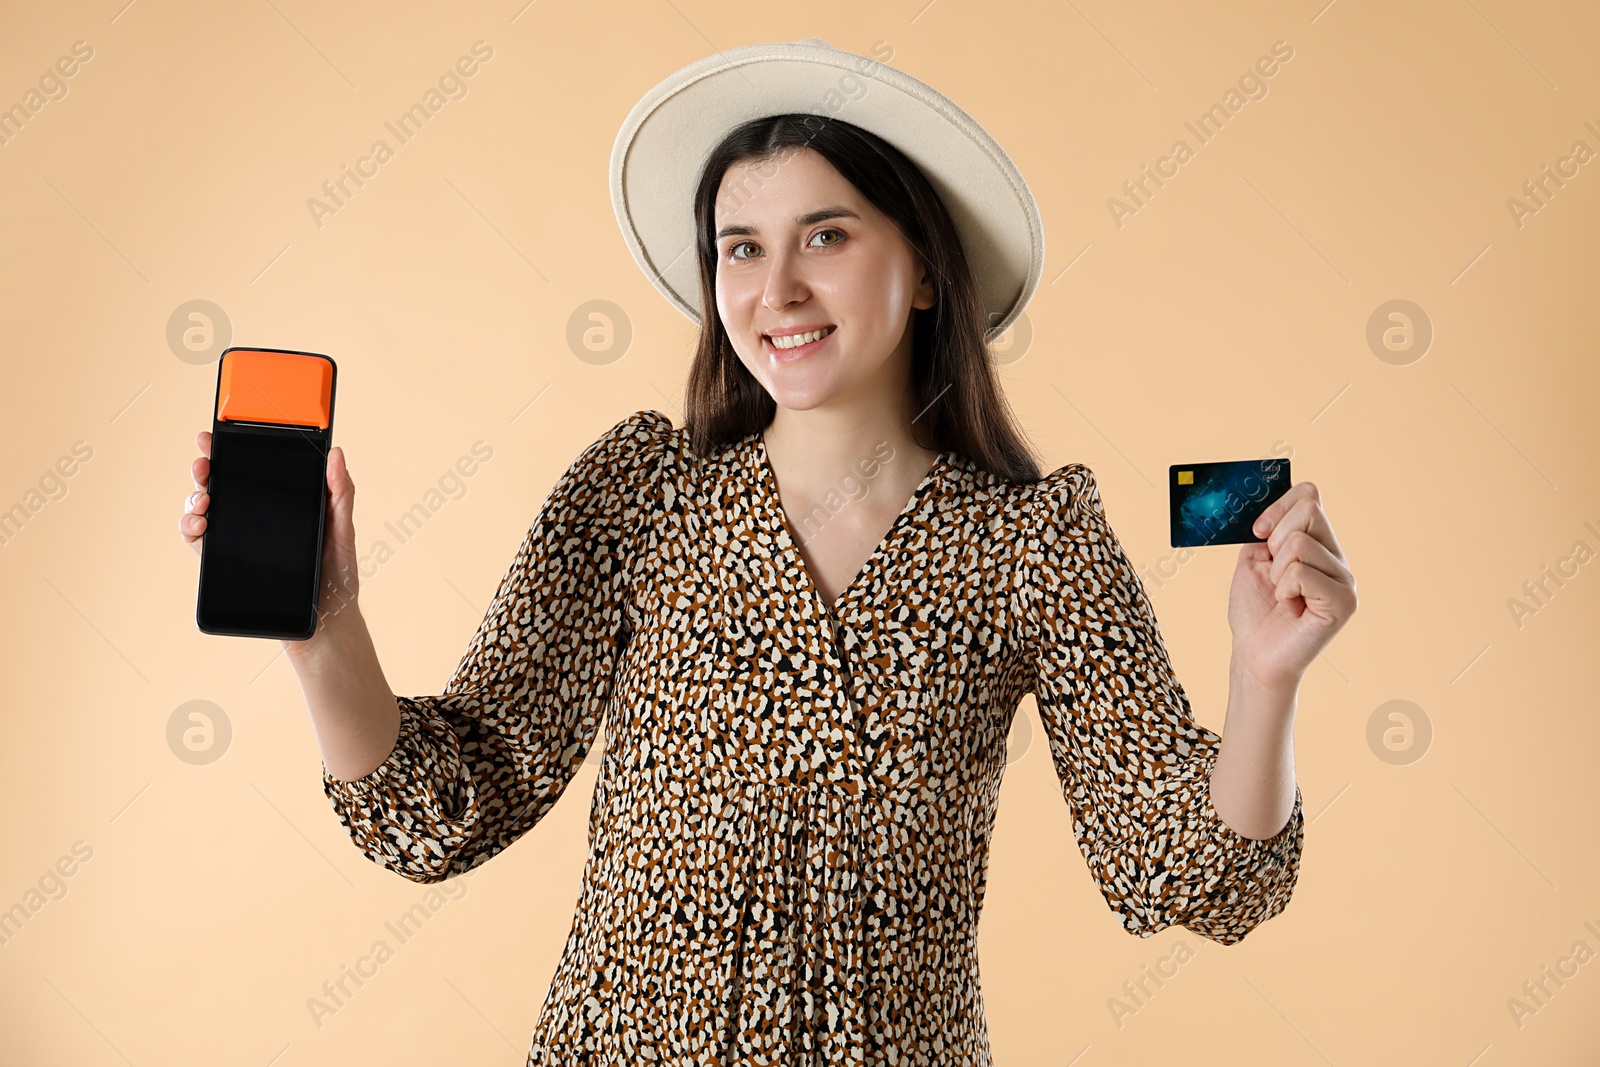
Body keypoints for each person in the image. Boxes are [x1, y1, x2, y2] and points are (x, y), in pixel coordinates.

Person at [179, 39, 1356, 1066]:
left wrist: (1264, 680)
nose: (776, 289)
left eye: (825, 236)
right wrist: (322, 628)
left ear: (928, 269)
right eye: (739, 247)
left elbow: (1195, 872)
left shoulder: (1033, 542)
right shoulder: (640, 493)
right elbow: (444, 805)